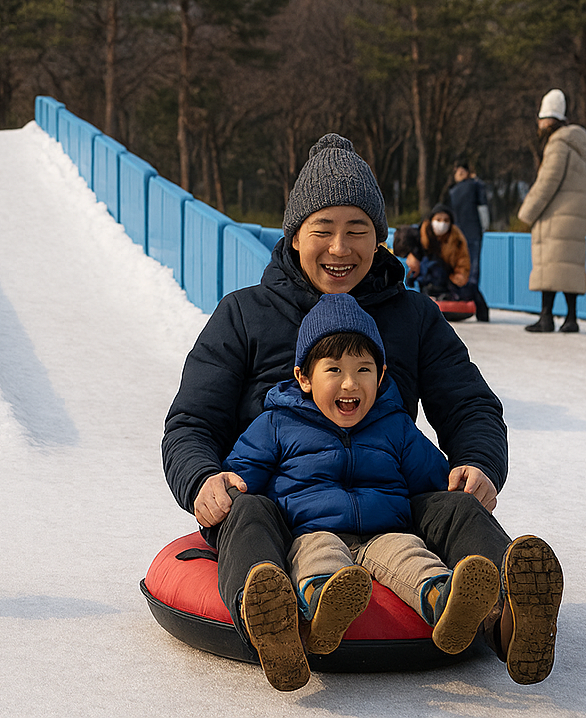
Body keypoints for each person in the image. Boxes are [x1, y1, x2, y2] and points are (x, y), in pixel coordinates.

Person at [163, 132, 562, 691]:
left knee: (455, 508)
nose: (340, 248)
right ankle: (275, 619)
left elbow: (469, 403)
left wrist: (477, 463)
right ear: (294, 235)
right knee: (248, 514)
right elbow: (191, 420)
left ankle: (509, 616)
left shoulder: (413, 317)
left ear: (379, 239)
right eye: (322, 230)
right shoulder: (245, 315)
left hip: (386, 497)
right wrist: (203, 479)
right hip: (282, 505)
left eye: (358, 230)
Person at [223, 294, 502, 691]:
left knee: (411, 555)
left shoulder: (396, 426)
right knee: (320, 554)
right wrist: (225, 486)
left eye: (363, 369)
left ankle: (448, 603)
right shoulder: (277, 424)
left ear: (382, 374)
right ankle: (323, 605)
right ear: (304, 377)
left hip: (384, 533)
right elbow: (241, 477)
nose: (350, 383)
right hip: (310, 530)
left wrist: (463, 478)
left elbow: (435, 480)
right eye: (334, 369)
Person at [518, 90, 586, 334]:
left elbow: (548, 182)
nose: (538, 125)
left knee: (549, 267)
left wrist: (527, 212)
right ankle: (571, 317)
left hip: (556, 216)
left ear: (550, 120)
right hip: (573, 217)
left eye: (540, 120)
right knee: (568, 267)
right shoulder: (576, 144)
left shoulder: (558, 144)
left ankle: (546, 316)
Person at [405, 204, 490, 322]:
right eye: (438, 220)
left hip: (448, 279)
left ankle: (482, 316)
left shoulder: (457, 239)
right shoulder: (421, 234)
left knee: (472, 289)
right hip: (427, 278)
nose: (442, 224)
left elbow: (463, 264)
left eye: (446, 220)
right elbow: (407, 247)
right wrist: (412, 257)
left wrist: (456, 281)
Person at [445, 164, 490, 284]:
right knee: (473, 267)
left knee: (459, 265)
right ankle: (471, 294)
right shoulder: (476, 185)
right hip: (473, 232)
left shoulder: (452, 191)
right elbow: (482, 207)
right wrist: (484, 226)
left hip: (457, 233)